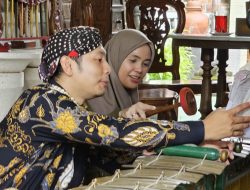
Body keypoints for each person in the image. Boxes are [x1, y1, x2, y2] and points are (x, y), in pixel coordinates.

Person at [0, 26, 250, 190]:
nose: (108, 68)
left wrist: (192, 148)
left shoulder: (74, 112)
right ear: (68, 64)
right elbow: (116, 132)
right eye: (99, 59)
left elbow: (116, 154)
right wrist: (202, 129)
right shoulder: (42, 102)